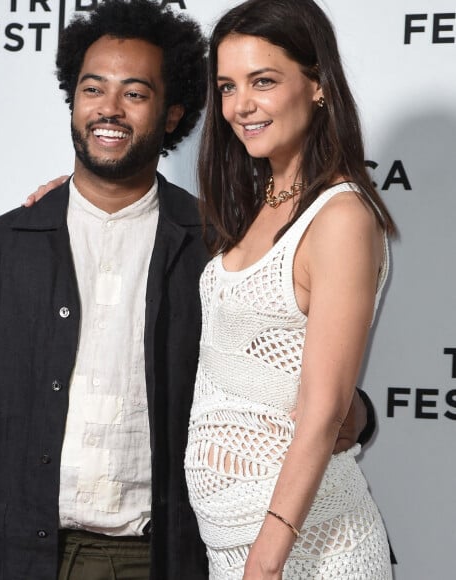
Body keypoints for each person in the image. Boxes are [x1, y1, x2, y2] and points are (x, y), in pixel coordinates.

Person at [0, 1, 375, 579]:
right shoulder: (2, 247)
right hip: (22, 557)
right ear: (73, 100)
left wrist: (355, 411)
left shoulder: (218, 245)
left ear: (172, 113)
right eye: (92, 90)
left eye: (134, 93)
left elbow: (273, 359)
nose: (108, 109)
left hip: (168, 556)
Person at [183, 0, 396, 579]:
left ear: (318, 84)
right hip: (236, 549)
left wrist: (266, 562)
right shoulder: (254, 207)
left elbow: (325, 411)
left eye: (264, 81)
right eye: (227, 86)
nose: (240, 105)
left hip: (308, 553)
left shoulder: (342, 216)